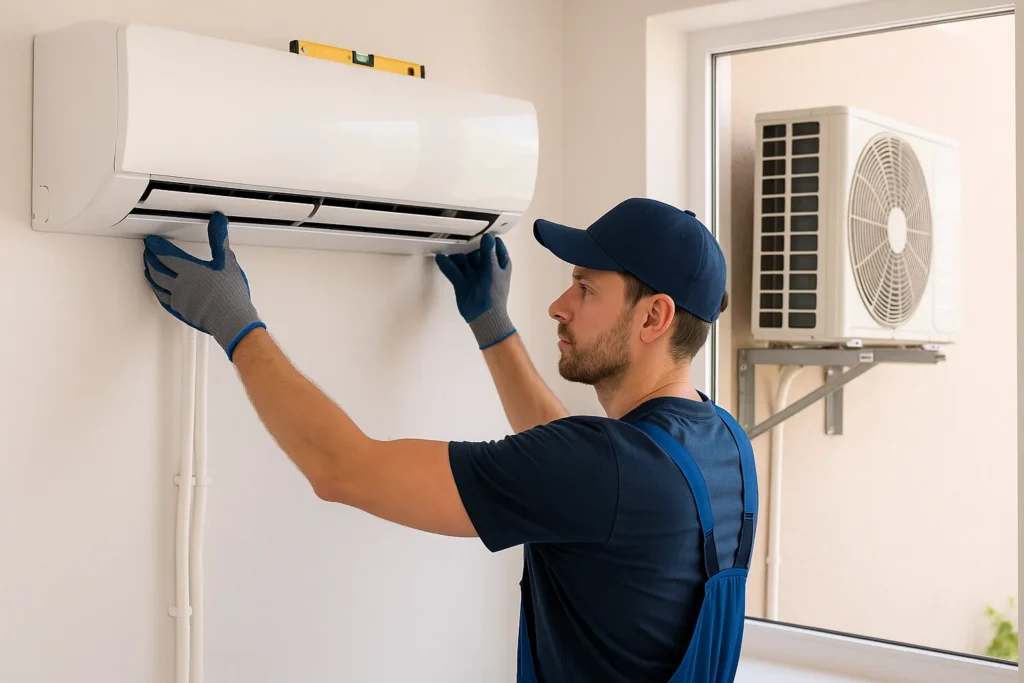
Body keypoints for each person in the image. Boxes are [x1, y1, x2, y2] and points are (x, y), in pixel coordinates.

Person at [141, 197, 757, 683]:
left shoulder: (606, 467)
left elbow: (343, 468)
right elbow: (576, 465)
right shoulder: (724, 444)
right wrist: (492, 325)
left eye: (586, 288)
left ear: (654, 316)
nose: (558, 306)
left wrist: (235, 323)